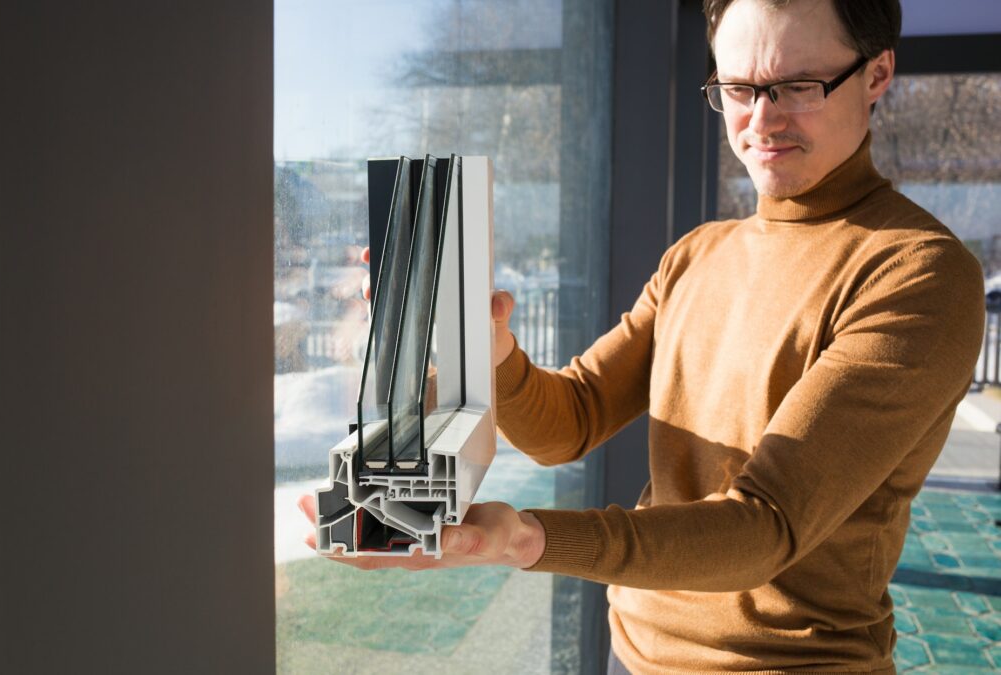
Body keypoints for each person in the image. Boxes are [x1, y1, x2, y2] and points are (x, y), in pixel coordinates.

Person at [299, 0, 986, 671]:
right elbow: (570, 420)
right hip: (632, 648)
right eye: (739, 87)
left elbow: (766, 526)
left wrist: (524, 537)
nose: (762, 119)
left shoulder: (919, 274)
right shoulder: (697, 255)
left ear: (877, 74)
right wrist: (491, 346)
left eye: (798, 86)